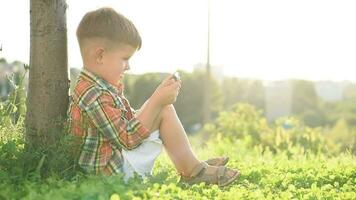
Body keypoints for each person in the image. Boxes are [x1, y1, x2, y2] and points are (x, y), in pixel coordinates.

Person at [67, 7, 240, 187]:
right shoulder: (93, 94)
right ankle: (193, 171)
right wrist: (157, 101)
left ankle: (191, 164)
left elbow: (125, 123)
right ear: (100, 55)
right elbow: (127, 138)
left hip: (117, 160)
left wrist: (155, 101)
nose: (128, 67)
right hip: (112, 174)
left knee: (161, 108)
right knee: (162, 109)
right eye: (124, 59)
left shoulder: (99, 86)